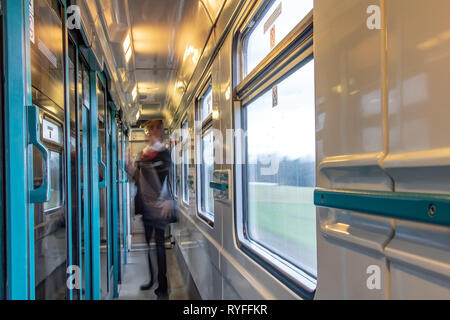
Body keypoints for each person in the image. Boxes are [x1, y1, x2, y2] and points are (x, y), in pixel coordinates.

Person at [127, 119, 173, 297]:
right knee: (148, 245)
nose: (149, 134)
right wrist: (131, 171)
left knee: (159, 246)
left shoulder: (163, 153)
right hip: (146, 207)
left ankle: (163, 284)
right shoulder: (144, 154)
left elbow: (164, 179)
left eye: (152, 131)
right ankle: (152, 278)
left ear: (159, 133)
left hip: (160, 207)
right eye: (148, 131)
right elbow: (138, 180)